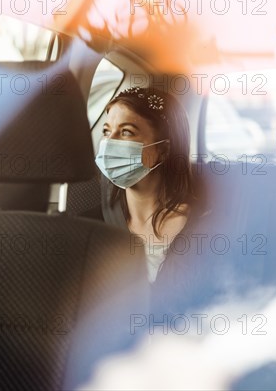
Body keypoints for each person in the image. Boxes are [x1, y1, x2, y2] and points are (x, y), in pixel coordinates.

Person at [95, 86, 229, 314]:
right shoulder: (93, 221)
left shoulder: (205, 227)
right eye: (107, 132)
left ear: (164, 150)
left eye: (126, 132)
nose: (110, 142)